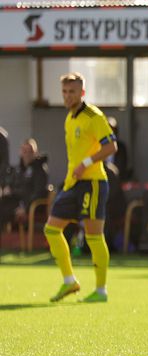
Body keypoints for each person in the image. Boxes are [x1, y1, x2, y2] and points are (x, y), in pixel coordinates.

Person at [44, 72, 117, 303]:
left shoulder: (93, 115)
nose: (67, 96)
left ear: (82, 92)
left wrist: (86, 163)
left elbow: (111, 146)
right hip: (73, 184)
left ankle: (101, 290)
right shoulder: (69, 118)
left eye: (72, 91)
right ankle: (69, 282)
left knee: (94, 236)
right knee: (51, 230)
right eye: (64, 92)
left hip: (93, 183)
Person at [0, 138, 49, 230]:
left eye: (29, 151)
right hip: (15, 201)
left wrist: (25, 207)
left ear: (35, 153)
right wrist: (7, 189)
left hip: (30, 205)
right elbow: (11, 184)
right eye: (24, 151)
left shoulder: (40, 170)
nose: (26, 154)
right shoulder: (18, 170)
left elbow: (39, 193)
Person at [106, 116, 133, 183]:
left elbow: (121, 167)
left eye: (113, 130)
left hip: (116, 181)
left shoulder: (121, 148)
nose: (110, 132)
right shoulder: (97, 147)